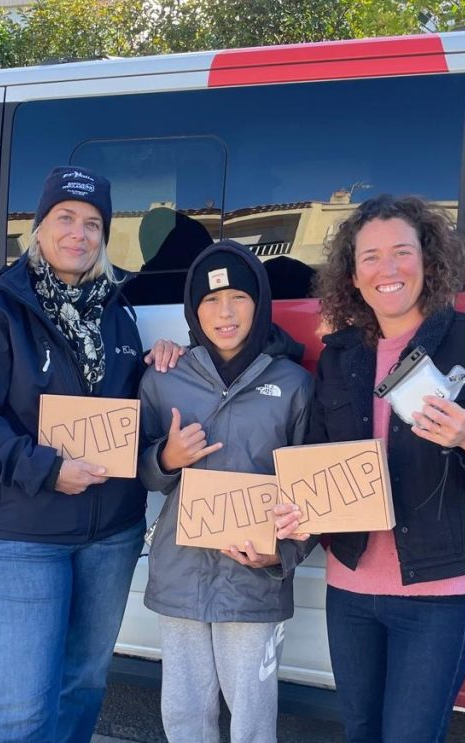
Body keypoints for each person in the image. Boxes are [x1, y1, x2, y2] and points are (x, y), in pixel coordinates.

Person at [0, 165, 180, 743]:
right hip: (24, 535)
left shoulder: (119, 311)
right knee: (22, 707)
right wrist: (47, 470)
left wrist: (161, 361)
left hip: (111, 533)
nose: (79, 233)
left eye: (93, 223)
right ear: (39, 226)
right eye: (65, 218)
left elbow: (127, 412)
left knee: (83, 685)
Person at [307, 195, 465, 743]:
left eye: (402, 251)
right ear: (352, 274)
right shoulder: (339, 355)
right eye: (370, 257)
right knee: (359, 730)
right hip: (350, 584)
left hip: (440, 591)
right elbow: (316, 459)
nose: (387, 269)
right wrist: (297, 513)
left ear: (429, 260)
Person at [138, 239, 314, 743]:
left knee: (253, 721)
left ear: (260, 304)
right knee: (185, 715)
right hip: (180, 576)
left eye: (238, 297)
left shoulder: (295, 384)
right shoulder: (164, 378)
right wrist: (166, 459)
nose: (225, 312)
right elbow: (139, 471)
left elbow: (315, 495)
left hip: (253, 579)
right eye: (210, 301)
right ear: (193, 311)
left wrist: (280, 554)